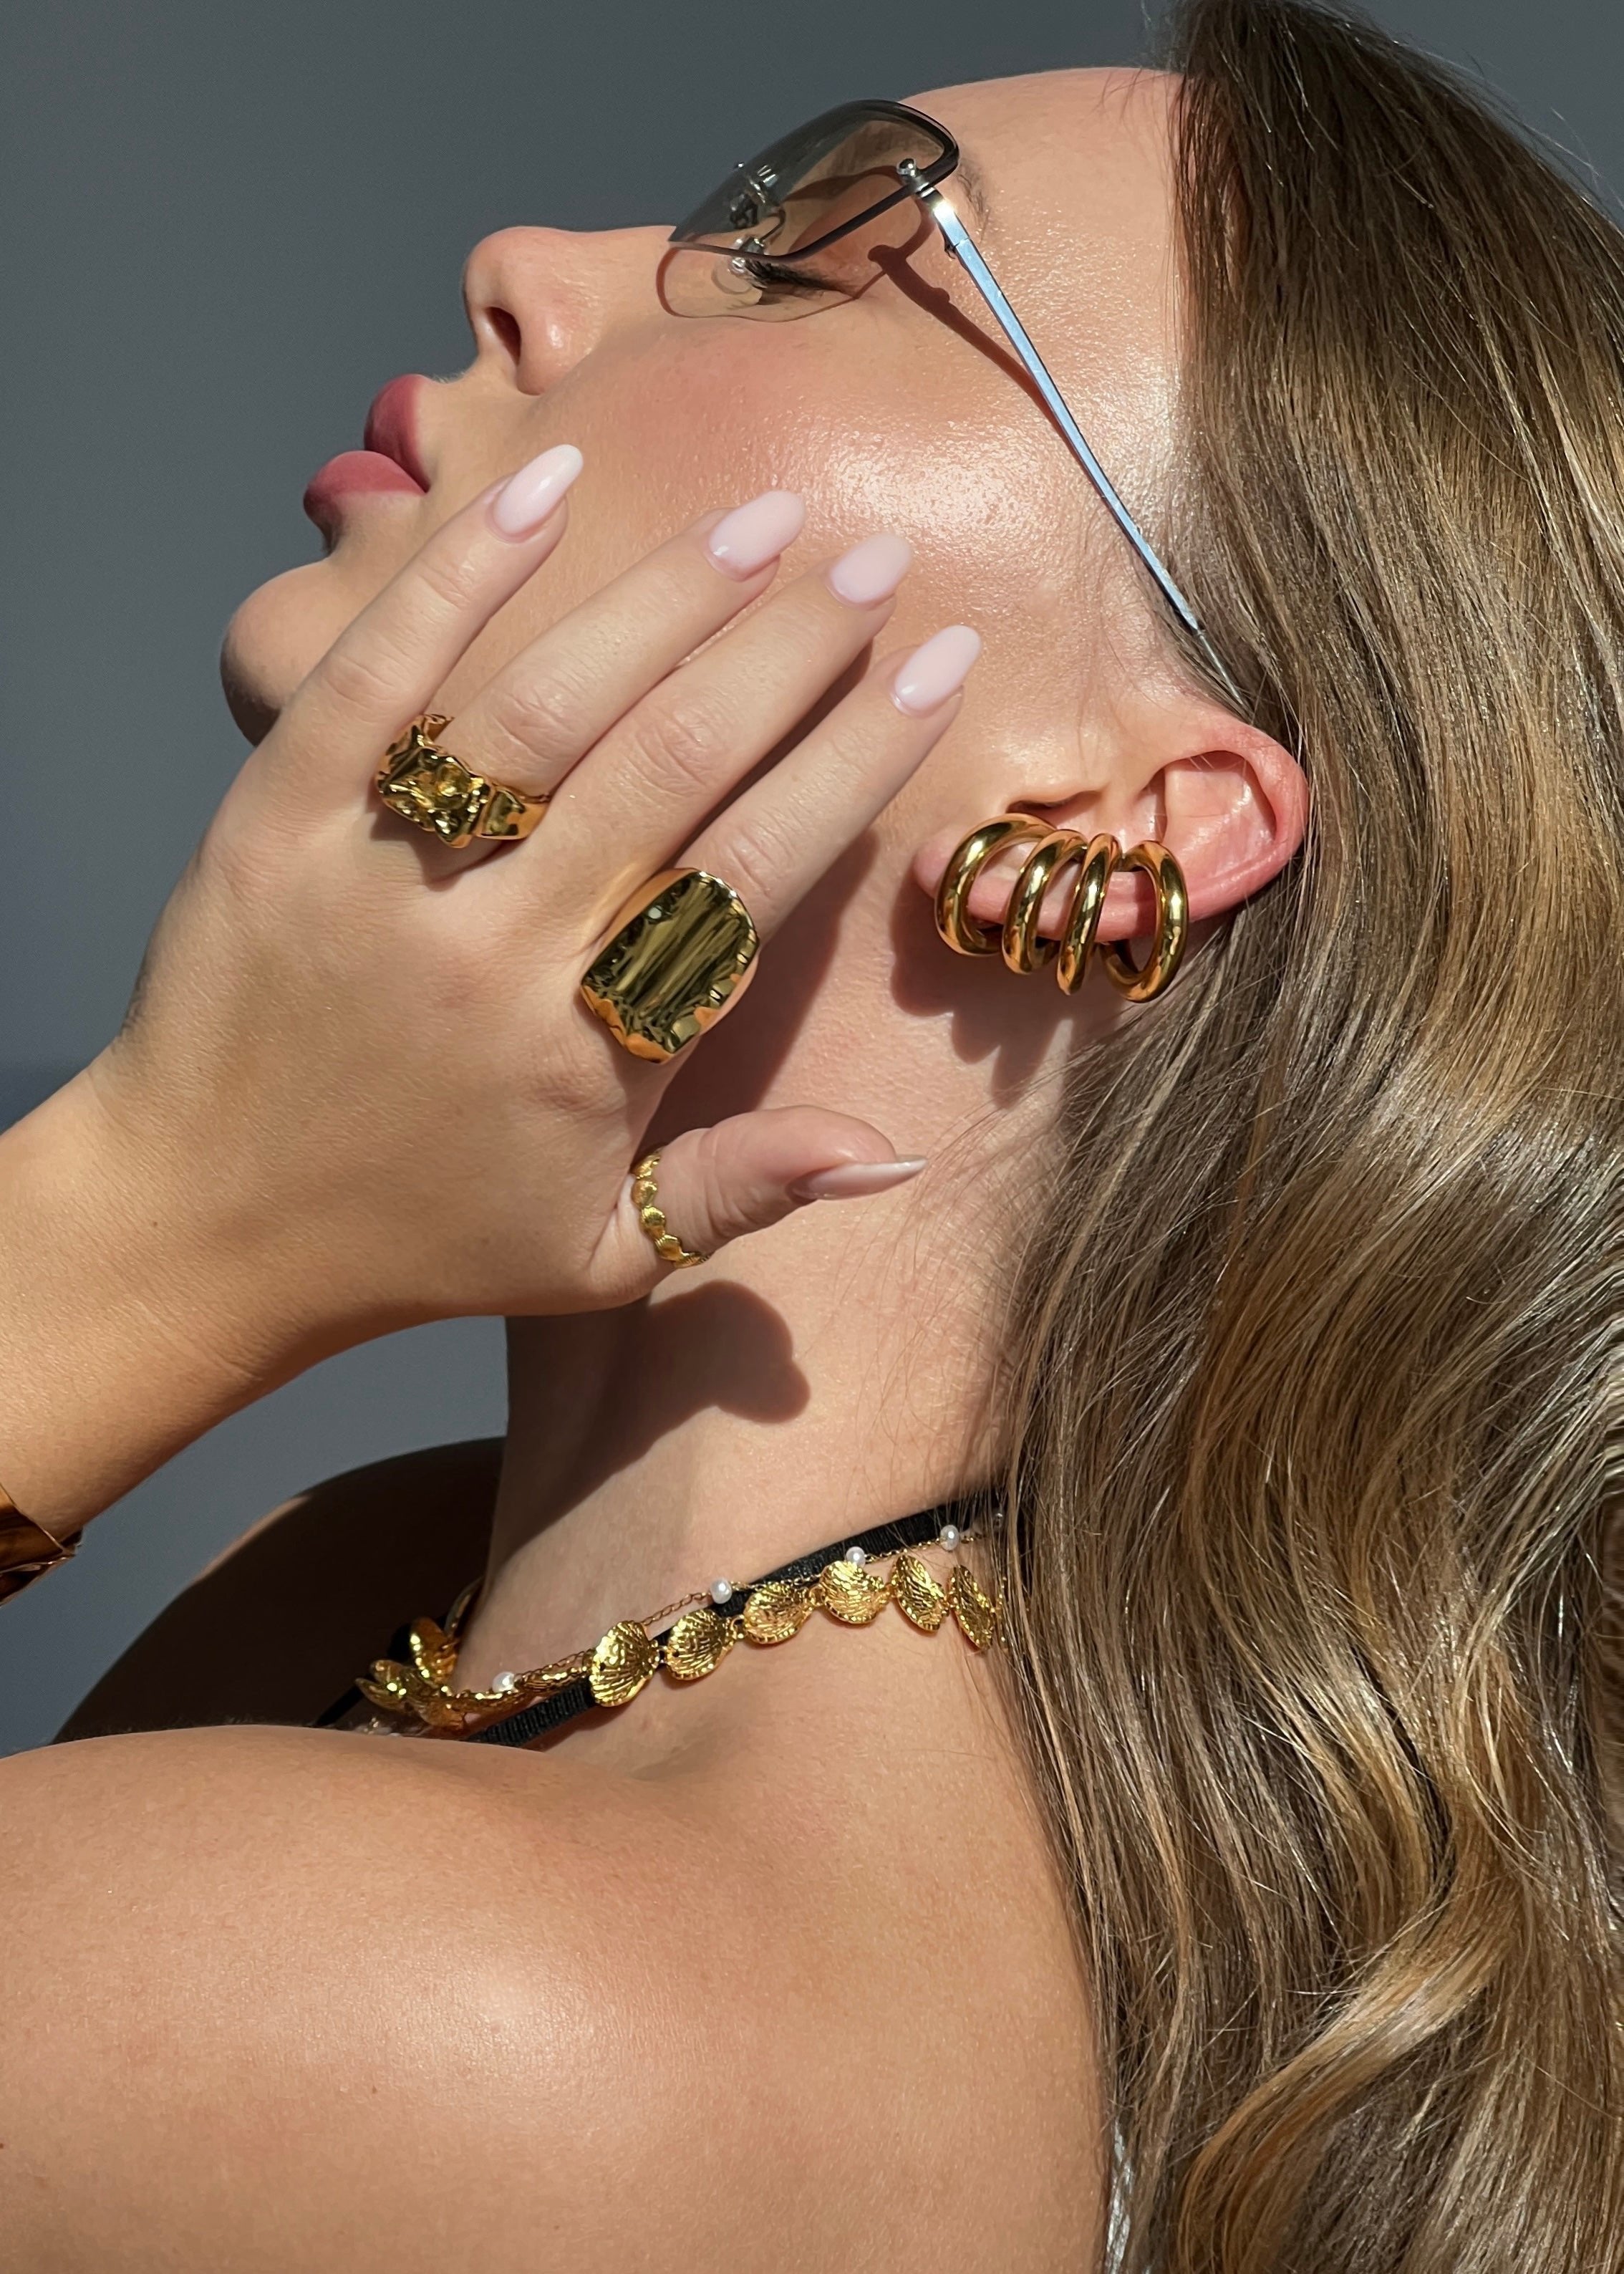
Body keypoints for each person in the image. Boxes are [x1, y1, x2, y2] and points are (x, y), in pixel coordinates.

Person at [0, 1, 1618, 2265]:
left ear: (1128, 802)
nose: (530, 266)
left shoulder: (474, 2013)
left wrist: (149, 1222)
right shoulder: (367, 1597)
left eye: (819, 259)